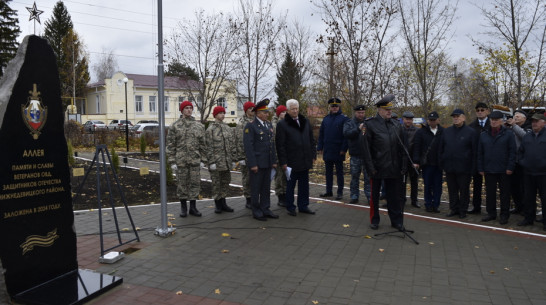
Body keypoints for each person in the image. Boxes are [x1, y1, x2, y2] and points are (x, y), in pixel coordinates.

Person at [362, 94, 406, 231]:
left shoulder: (396, 125)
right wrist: (370, 167)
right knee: (374, 197)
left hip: (393, 167)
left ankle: (396, 221)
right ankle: (375, 220)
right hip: (377, 167)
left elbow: (403, 148)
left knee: (394, 197)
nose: (389, 112)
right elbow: (366, 149)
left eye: (390, 109)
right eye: (386, 109)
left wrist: (403, 165)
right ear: (379, 110)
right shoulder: (370, 125)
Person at [275, 99, 317, 216]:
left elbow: (311, 140)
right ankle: (290, 207)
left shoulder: (305, 121)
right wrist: (283, 162)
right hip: (291, 162)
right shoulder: (282, 124)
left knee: (304, 185)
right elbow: (280, 145)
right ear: (288, 110)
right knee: (290, 186)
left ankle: (303, 206)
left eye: (296, 108)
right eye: (292, 109)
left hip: (304, 159)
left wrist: (313, 155)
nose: (295, 111)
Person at [166, 100, 207, 217]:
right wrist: (172, 161)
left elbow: (203, 144)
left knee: (195, 184)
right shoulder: (175, 126)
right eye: (186, 108)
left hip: (194, 160)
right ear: (182, 110)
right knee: (182, 184)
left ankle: (193, 208)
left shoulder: (199, 126)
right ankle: (183, 208)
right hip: (181, 161)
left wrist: (203, 160)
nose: (189, 110)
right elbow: (170, 145)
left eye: (190, 108)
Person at [477, 111, 516, 224]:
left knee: (504, 194)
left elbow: (512, 152)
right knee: (490, 193)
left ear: (501, 121)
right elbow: (480, 153)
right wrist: (480, 168)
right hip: (489, 169)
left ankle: (504, 215)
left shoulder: (508, 134)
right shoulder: (484, 134)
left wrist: (510, 167)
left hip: (504, 170)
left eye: (496, 120)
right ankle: (491, 213)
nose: (493, 122)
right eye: (492, 120)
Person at [243, 99, 278, 221]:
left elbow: (271, 145)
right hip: (257, 163)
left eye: (267, 112)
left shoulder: (268, 125)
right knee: (256, 188)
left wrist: (273, 161)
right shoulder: (251, 126)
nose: (267, 114)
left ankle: (265, 208)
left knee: (265, 188)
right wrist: (253, 164)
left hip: (267, 162)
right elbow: (249, 147)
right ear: (258, 113)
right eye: (264, 112)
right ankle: (256, 210)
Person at [438, 109, 476, 219]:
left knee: (464, 190)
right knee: (452, 190)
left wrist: (473, 167)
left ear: (463, 118)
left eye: (458, 116)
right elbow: (441, 148)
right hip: (450, 166)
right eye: (454, 116)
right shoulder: (447, 131)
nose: (455, 118)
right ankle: (454, 208)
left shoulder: (471, 132)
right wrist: (442, 162)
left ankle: (463, 210)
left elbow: (474, 151)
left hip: (464, 168)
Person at [516, 113, 546, 229]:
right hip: (528, 173)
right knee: (529, 197)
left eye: (537, 121)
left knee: (544, 198)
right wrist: (523, 163)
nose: (534, 123)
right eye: (533, 121)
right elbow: (521, 152)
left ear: (543, 122)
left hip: (543, 173)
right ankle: (529, 218)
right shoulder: (527, 136)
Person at [317, 97, 349, 200]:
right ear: (330, 107)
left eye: (336, 106)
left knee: (339, 173)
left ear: (339, 106)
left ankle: (340, 192)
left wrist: (344, 149)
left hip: (339, 150)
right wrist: (320, 147)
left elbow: (346, 136)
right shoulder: (326, 119)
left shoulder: (344, 119)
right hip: (328, 149)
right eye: (332, 106)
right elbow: (321, 134)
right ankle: (329, 191)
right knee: (328, 172)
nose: (334, 108)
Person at [206, 106, 236, 214]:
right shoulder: (211, 129)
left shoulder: (227, 128)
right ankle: (217, 204)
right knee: (216, 183)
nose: (222, 115)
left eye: (223, 113)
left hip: (226, 161)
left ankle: (224, 203)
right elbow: (209, 146)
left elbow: (232, 144)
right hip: (216, 162)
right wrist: (211, 162)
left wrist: (233, 159)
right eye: (220, 113)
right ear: (215, 115)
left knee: (225, 182)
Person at [413, 111, 444, 213]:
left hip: (439, 164)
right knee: (428, 185)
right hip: (427, 164)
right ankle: (428, 204)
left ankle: (436, 205)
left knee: (438, 186)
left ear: (438, 120)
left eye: (434, 120)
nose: (432, 122)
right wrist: (416, 161)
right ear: (428, 121)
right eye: (430, 120)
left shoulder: (443, 132)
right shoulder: (421, 132)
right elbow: (417, 147)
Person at [343, 105, 371, 204]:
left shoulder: (368, 123)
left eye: (362, 112)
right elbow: (346, 134)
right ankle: (354, 196)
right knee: (355, 177)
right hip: (355, 155)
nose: (361, 114)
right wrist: (358, 129)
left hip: (367, 155)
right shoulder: (349, 123)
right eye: (359, 113)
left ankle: (369, 196)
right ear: (355, 112)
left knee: (368, 178)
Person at [505, 109, 531, 214]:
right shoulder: (511, 127)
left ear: (524, 118)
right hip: (513, 161)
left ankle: (527, 208)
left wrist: (514, 126)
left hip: (524, 162)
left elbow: (525, 137)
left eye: (518, 116)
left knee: (524, 187)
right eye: (514, 116)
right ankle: (518, 206)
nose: (515, 118)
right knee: (514, 186)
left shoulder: (529, 127)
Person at [468, 102, 490, 214]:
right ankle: (476, 207)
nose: (480, 112)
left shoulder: (493, 124)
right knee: (476, 185)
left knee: (490, 186)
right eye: (478, 110)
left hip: (490, 160)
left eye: (482, 110)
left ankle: (491, 209)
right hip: (476, 160)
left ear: (487, 111)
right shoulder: (471, 126)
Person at [234, 101, 255, 209]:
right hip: (246, 155)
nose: (252, 110)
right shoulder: (242, 123)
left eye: (253, 108)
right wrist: (241, 157)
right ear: (246, 110)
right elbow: (239, 141)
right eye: (250, 108)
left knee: (256, 178)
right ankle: (248, 199)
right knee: (247, 178)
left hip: (256, 155)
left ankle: (255, 198)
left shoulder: (257, 121)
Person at [400, 111, 419, 208]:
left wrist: (416, 161)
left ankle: (414, 200)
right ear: (403, 119)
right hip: (402, 159)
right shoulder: (399, 129)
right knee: (402, 181)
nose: (408, 121)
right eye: (407, 119)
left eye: (410, 119)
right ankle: (402, 199)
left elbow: (418, 146)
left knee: (414, 181)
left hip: (413, 159)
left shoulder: (417, 131)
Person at [272, 105, 287, 207]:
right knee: (279, 177)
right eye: (282, 112)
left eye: (286, 111)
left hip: (286, 155)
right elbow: (273, 143)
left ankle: (286, 195)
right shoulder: (274, 125)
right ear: (278, 114)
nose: (285, 114)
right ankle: (280, 196)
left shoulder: (288, 123)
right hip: (278, 156)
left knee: (286, 177)